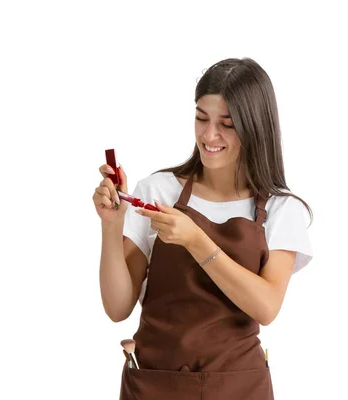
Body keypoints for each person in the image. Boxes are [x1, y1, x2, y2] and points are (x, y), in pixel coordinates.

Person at [92, 57, 313, 399]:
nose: (210, 135)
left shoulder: (282, 210)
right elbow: (118, 307)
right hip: (154, 385)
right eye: (201, 118)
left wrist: (197, 241)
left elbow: (266, 307)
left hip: (238, 388)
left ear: (255, 126)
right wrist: (112, 224)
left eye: (227, 124)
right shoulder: (157, 191)